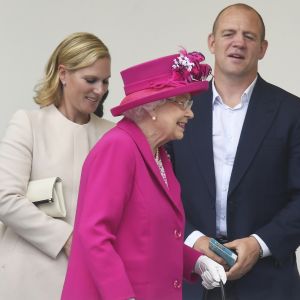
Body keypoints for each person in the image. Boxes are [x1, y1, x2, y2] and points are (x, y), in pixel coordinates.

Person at [61, 49, 226, 300]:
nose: (190, 113)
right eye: (182, 103)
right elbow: (93, 235)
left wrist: (196, 262)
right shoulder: (119, 147)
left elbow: (153, 239)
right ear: (152, 107)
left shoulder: (158, 154)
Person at [167, 3, 300, 300]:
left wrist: (259, 243)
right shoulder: (176, 109)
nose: (238, 42)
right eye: (229, 33)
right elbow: (159, 191)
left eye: (249, 36)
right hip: (189, 276)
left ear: (263, 48)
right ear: (212, 42)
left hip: (269, 282)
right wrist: (193, 239)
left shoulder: (293, 112)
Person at [0, 32, 114, 300]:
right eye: (91, 80)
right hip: (28, 278)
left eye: (105, 81)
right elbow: (5, 198)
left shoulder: (113, 135)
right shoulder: (28, 124)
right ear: (63, 74)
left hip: (91, 280)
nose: (100, 90)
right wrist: (67, 238)